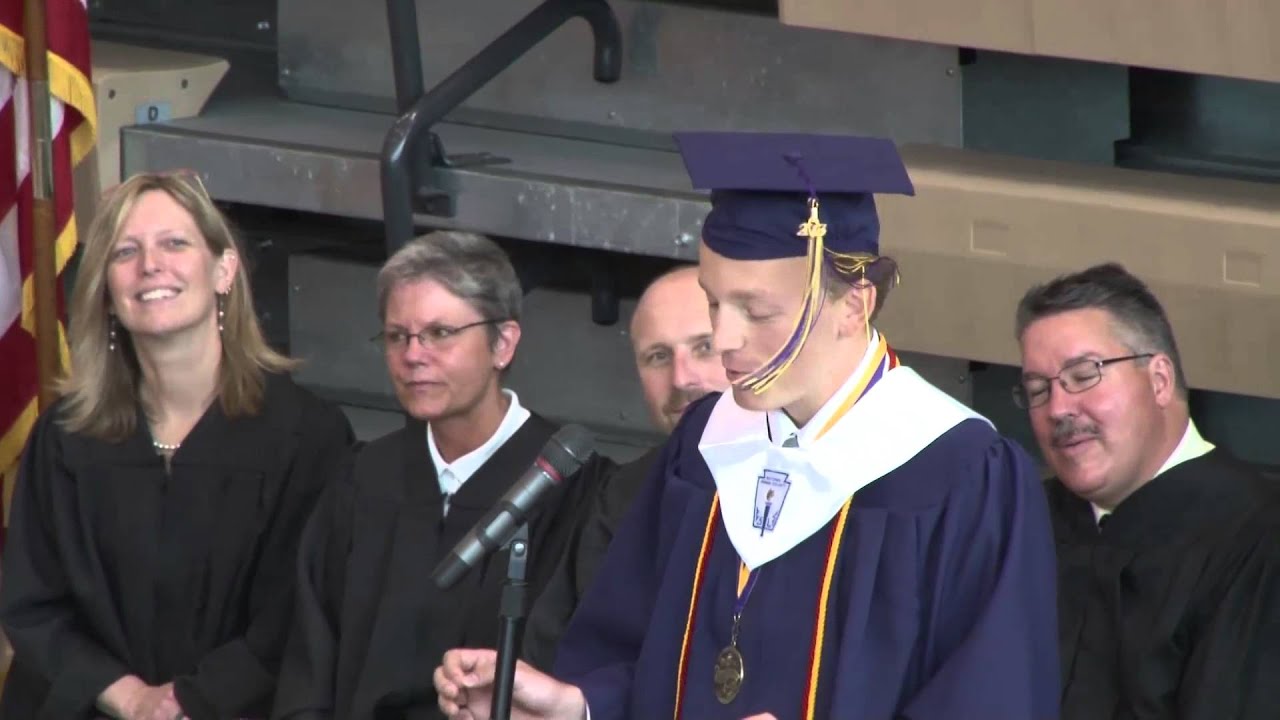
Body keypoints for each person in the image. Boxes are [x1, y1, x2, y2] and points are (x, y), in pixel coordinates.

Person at [434, 132, 1061, 720]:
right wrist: (578, 705)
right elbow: (635, 656)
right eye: (714, 300)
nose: (724, 339)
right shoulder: (707, 443)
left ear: (853, 303)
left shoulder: (957, 473)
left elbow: (991, 699)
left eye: (755, 310)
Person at [0, 171, 355, 720]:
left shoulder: (307, 438)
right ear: (108, 293)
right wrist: (131, 699)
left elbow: (296, 614)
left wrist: (189, 702)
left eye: (175, 243)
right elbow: (34, 604)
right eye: (126, 251)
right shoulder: (67, 437)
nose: (150, 266)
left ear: (224, 269)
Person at [271, 231, 603, 720]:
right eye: (397, 336)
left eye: (440, 333)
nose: (413, 355)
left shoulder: (575, 489)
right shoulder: (362, 479)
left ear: (503, 343)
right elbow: (309, 667)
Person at [1014, 262, 1280, 720]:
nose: (1058, 408)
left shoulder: (1254, 536)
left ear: (1159, 380)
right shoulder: (1025, 522)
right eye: (1038, 390)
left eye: (1083, 376)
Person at [523, 265, 730, 671]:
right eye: (658, 356)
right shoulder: (623, 496)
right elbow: (558, 655)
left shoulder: (807, 484)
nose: (681, 378)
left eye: (705, 347)